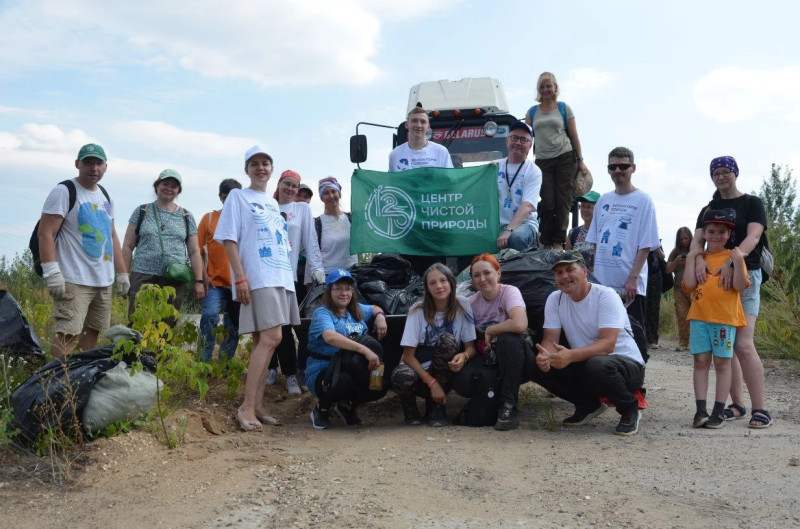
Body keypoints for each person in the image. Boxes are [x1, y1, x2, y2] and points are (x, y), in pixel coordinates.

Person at [213, 146, 299, 431]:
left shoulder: (273, 204)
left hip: (280, 276)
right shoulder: (238, 196)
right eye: (254, 164)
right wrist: (240, 278)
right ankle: (246, 407)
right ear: (246, 170)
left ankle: (258, 404)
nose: (260, 168)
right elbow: (228, 239)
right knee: (273, 337)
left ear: (271, 169)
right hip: (258, 276)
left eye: (265, 163)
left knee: (267, 338)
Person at [690, 156, 772, 429]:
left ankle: (760, 408)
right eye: (716, 173)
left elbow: (753, 237)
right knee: (727, 348)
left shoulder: (752, 203)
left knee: (743, 344)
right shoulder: (708, 209)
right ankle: (737, 405)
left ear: (736, 173)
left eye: (726, 171)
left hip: (746, 273)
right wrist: (698, 259)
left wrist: (731, 261)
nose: (721, 176)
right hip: (713, 280)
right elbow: (697, 243)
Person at [534, 250, 646, 436]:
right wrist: (544, 357)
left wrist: (570, 355)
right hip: (587, 362)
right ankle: (588, 405)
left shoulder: (606, 295)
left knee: (597, 364)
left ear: (584, 271)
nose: (564, 276)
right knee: (536, 364)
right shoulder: (555, 298)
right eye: (559, 272)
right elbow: (550, 339)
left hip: (626, 365)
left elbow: (608, 345)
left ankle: (629, 409)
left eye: (570, 270)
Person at [37, 143, 128, 357]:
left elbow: (112, 236)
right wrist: (52, 271)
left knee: (92, 332)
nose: (94, 168)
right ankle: (57, 377)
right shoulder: (64, 191)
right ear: (77, 164)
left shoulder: (106, 196)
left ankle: (79, 376)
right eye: (88, 162)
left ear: (106, 166)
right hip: (74, 279)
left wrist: (122, 273)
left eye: (99, 163)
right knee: (68, 334)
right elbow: (45, 233)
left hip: (103, 280)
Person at [586, 147, 660, 362]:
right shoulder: (603, 200)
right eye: (613, 167)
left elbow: (646, 244)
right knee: (603, 333)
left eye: (623, 166)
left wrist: (633, 278)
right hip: (603, 281)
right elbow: (595, 240)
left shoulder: (643, 200)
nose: (617, 170)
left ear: (633, 168)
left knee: (633, 334)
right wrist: (593, 275)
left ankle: (637, 376)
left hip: (629, 282)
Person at [682, 210, 749, 429]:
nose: (716, 236)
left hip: (724, 320)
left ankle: (718, 411)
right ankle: (700, 410)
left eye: (722, 232)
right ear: (704, 234)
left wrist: (737, 261)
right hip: (699, 318)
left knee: (722, 363)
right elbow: (689, 285)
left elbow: (740, 286)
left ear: (729, 234)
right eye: (711, 231)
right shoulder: (699, 258)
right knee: (700, 361)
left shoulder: (733, 257)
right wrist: (692, 257)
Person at [391, 263, 477, 427]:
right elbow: (408, 357)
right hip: (419, 371)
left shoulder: (463, 305)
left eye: (443, 280)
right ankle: (410, 409)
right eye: (432, 283)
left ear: (451, 282)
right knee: (401, 376)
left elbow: (471, 348)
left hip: (445, 371)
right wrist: (432, 383)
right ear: (427, 288)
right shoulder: (417, 310)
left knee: (448, 341)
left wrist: (464, 356)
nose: (439, 286)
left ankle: (436, 406)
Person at [266, 170, 325, 395]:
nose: (290, 189)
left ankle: (290, 374)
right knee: (266, 326)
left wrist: (317, 268)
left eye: (294, 186)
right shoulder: (267, 206)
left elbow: (310, 240)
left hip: (288, 276)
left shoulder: (301, 209)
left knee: (285, 326)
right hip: (266, 274)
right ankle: (270, 368)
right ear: (279, 184)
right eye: (287, 184)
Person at [306, 269, 388, 429]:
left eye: (347, 289)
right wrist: (364, 350)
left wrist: (380, 317)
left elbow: (374, 308)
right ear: (329, 291)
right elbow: (330, 337)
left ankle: (346, 406)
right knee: (344, 380)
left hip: (353, 365)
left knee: (379, 385)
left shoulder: (355, 309)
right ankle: (322, 409)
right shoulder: (322, 313)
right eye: (338, 289)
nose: (344, 293)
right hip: (324, 370)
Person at [122, 169, 205, 316]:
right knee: (138, 319)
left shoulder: (186, 216)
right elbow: (128, 246)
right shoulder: (142, 211)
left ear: (178, 191)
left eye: (174, 186)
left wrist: (199, 281)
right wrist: (123, 275)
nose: (169, 189)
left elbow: (194, 252)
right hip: (143, 275)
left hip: (175, 278)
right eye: (165, 184)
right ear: (157, 186)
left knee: (167, 322)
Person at [466, 254, 534, 430]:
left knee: (508, 338)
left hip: (517, 356)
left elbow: (519, 324)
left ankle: (509, 406)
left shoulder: (509, 292)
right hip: (490, 357)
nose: (482, 279)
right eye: (476, 275)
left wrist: (491, 329)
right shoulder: (471, 303)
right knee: (462, 382)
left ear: (498, 273)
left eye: (487, 273)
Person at [525, 72, 590, 250]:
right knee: (547, 202)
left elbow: (574, 135)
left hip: (565, 157)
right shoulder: (532, 112)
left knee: (563, 200)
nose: (546, 89)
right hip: (542, 160)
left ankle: (558, 241)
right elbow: (527, 139)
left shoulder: (563, 108)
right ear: (539, 89)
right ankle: (546, 239)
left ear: (555, 88)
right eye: (542, 86)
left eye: (549, 86)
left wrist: (581, 161)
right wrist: (523, 162)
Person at [197, 178, 242, 363]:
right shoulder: (209, 219)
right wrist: (203, 276)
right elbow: (197, 251)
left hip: (237, 284)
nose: (231, 200)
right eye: (227, 196)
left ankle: (224, 365)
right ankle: (203, 363)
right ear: (221, 197)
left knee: (233, 324)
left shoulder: (245, 220)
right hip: (214, 282)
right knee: (209, 317)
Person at [494, 122, 542, 252]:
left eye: (523, 140)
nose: (518, 143)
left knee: (516, 238)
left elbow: (528, 206)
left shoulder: (533, 171)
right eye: (514, 138)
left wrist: (508, 230)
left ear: (530, 146)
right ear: (507, 141)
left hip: (524, 224)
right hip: (495, 224)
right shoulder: (493, 166)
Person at [313, 177, 357, 274]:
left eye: (333, 191)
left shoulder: (351, 218)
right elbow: (313, 254)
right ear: (322, 198)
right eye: (326, 193)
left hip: (352, 274)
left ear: (339, 194)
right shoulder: (317, 223)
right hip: (328, 276)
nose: (331, 196)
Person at [388, 106, 453, 172]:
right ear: (406, 125)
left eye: (423, 122)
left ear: (428, 127)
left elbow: (449, 178)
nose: (419, 125)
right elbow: (392, 178)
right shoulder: (395, 154)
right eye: (414, 121)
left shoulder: (441, 152)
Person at [666, 227, 693, 351]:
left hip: (695, 288)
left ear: (690, 238)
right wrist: (675, 262)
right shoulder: (675, 252)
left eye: (686, 238)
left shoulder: (696, 250)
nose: (684, 241)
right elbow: (667, 270)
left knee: (698, 317)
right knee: (682, 317)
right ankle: (683, 342)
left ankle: (698, 343)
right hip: (679, 289)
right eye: (681, 239)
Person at [566, 190, 600, 270]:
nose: (584, 210)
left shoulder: (604, 233)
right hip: (578, 277)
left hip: (599, 277)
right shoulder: (573, 233)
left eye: (589, 207)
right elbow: (567, 261)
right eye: (582, 206)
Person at [645, 246, 666, 349]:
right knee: (643, 307)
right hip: (642, 276)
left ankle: (653, 339)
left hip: (655, 276)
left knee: (654, 308)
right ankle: (644, 339)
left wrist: (656, 247)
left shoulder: (656, 242)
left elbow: (662, 256)